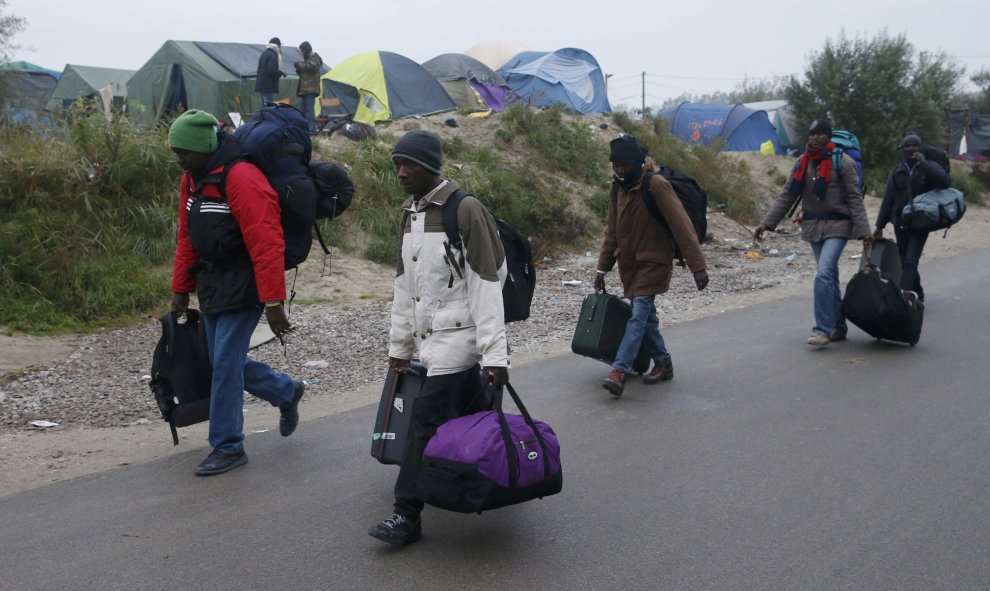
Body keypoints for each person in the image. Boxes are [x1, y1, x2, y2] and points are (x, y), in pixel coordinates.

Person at [368, 130, 510, 545]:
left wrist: (494, 355)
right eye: (396, 164)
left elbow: (487, 283)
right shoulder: (410, 214)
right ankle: (491, 479)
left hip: (460, 340)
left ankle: (406, 514)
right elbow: (403, 285)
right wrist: (399, 346)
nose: (400, 172)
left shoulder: (464, 210)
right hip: (430, 340)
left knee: (424, 422)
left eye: (408, 164)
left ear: (431, 165)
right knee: (474, 414)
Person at [167, 109, 305, 476]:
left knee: (225, 363)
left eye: (185, 150)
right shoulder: (192, 179)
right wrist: (180, 287)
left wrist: (274, 302)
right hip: (212, 282)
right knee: (220, 360)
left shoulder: (242, 177)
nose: (179, 157)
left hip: (247, 282)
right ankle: (285, 391)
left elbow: (267, 243)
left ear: (205, 146)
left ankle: (228, 447)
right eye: (175, 150)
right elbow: (188, 237)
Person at [594, 134, 709, 397]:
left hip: (654, 262)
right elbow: (612, 232)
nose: (620, 170)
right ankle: (663, 362)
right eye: (616, 165)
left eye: (625, 165)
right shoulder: (618, 189)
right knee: (646, 318)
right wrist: (602, 269)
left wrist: (697, 266)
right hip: (629, 266)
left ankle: (619, 371)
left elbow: (682, 227)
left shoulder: (656, 185)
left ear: (637, 162)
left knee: (638, 316)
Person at [754, 118, 873, 347]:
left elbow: (855, 199)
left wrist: (864, 232)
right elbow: (787, 195)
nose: (816, 137)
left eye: (821, 133)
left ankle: (821, 330)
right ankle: (838, 325)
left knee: (823, 274)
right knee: (829, 276)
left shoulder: (844, 162)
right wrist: (766, 223)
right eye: (812, 133)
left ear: (828, 136)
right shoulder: (802, 162)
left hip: (838, 226)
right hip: (812, 227)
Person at [873, 131, 951, 302]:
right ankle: (918, 293)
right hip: (900, 222)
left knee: (910, 260)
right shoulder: (897, 170)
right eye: (907, 145)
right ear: (902, 148)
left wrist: (925, 163)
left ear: (921, 147)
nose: (911, 148)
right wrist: (880, 226)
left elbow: (945, 182)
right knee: (904, 259)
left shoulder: (929, 165)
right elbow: (888, 199)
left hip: (921, 223)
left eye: (915, 145)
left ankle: (903, 297)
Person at [293, 41, 323, 135]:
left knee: (309, 111)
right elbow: (306, 72)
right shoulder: (308, 59)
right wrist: (299, 70)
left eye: (302, 51)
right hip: (304, 89)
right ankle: (304, 129)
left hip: (311, 89)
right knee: (302, 111)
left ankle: (311, 130)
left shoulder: (315, 58)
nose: (302, 53)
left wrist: (300, 65)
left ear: (306, 50)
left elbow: (312, 67)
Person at [255, 37, 285, 107]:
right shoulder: (272, 55)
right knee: (268, 106)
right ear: (277, 46)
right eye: (280, 46)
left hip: (262, 85)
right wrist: (281, 73)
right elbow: (271, 70)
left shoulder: (265, 54)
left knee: (263, 105)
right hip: (268, 86)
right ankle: (266, 118)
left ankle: (261, 118)